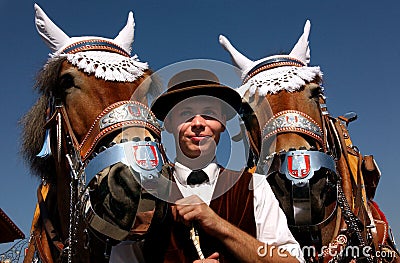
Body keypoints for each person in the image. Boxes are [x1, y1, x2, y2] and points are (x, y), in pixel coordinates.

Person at [150, 69, 304, 263]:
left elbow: (293, 261)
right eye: (186, 113)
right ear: (170, 123)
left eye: (209, 114)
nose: (198, 123)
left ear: (222, 122)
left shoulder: (253, 186)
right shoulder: (146, 193)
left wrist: (217, 225)